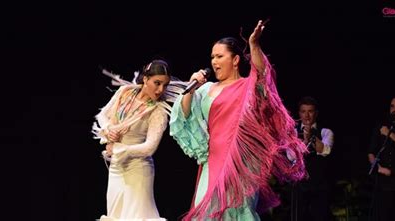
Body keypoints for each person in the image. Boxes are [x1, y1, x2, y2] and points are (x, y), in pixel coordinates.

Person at [169, 20, 307, 220]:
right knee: (207, 212)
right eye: (212, 57)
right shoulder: (207, 89)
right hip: (213, 160)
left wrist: (254, 44)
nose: (214, 62)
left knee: (239, 212)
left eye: (219, 56)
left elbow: (262, 75)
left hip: (241, 163)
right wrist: (192, 87)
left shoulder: (247, 87)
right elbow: (185, 113)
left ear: (235, 60)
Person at [92, 59, 183, 220]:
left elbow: (149, 147)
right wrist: (108, 130)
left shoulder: (157, 111)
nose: (160, 89)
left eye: (165, 85)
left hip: (138, 169)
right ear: (145, 79)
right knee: (116, 215)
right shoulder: (125, 92)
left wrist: (121, 149)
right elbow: (102, 115)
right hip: (116, 168)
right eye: (157, 83)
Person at [291, 96, 334, 221]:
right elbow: (291, 156)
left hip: (320, 186)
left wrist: (311, 137)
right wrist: (304, 140)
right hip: (299, 187)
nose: (307, 115)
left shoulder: (326, 132)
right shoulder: (293, 133)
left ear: (316, 113)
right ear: (299, 113)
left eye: (310, 111)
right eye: (303, 111)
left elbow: (324, 151)